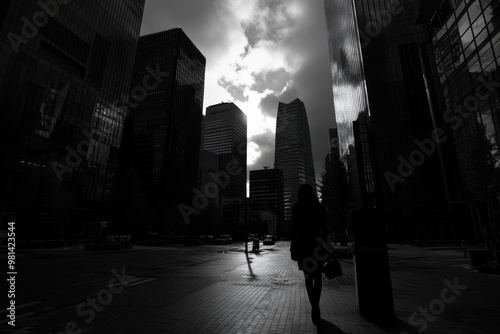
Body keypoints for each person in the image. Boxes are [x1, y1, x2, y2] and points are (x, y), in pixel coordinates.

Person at [291, 184, 328, 325]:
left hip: (303, 246)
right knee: (318, 277)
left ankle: (314, 307)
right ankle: (316, 306)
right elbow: (324, 229)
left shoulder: (297, 208)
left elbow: (295, 231)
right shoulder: (319, 208)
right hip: (317, 245)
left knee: (308, 278)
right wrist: (327, 246)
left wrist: (292, 248)